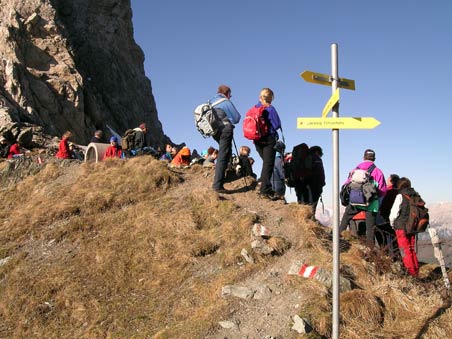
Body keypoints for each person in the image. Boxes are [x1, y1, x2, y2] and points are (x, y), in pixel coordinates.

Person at [339, 149, 387, 247]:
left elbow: (346, 184)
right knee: (370, 229)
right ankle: (370, 251)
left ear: (363, 158)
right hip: (371, 204)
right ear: (374, 159)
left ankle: (337, 238)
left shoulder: (355, 170)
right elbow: (383, 190)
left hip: (355, 201)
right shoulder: (378, 172)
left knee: (345, 218)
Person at [251, 88, 282, 200]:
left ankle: (264, 184)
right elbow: (277, 124)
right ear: (271, 97)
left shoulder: (255, 107)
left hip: (257, 139)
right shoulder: (270, 108)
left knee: (266, 163)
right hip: (268, 138)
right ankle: (265, 190)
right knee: (268, 164)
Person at [209, 85, 241, 193]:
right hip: (225, 130)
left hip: (214, 131)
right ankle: (218, 184)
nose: (230, 96)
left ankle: (227, 173)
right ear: (227, 93)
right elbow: (236, 118)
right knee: (223, 153)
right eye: (230, 94)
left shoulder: (211, 101)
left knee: (226, 150)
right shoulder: (225, 101)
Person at [389, 177, 420, 277]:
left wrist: (392, 224)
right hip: (412, 227)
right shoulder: (416, 195)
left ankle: (411, 273)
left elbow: (393, 214)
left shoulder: (400, 196)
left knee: (404, 251)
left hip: (401, 227)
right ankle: (416, 271)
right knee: (411, 249)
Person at [377, 174, 400, 256]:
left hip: (385, 219)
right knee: (394, 241)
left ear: (391, 182)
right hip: (397, 221)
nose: (386, 181)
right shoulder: (399, 192)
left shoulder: (387, 192)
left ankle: (385, 256)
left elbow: (383, 206)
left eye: (388, 179)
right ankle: (397, 257)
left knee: (382, 238)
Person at [307, 145, 326, 215]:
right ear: (317, 152)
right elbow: (320, 172)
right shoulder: (317, 159)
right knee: (313, 202)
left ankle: (305, 217)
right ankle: (311, 217)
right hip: (315, 184)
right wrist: (322, 183)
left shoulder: (305, 158)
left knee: (306, 202)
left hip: (305, 185)